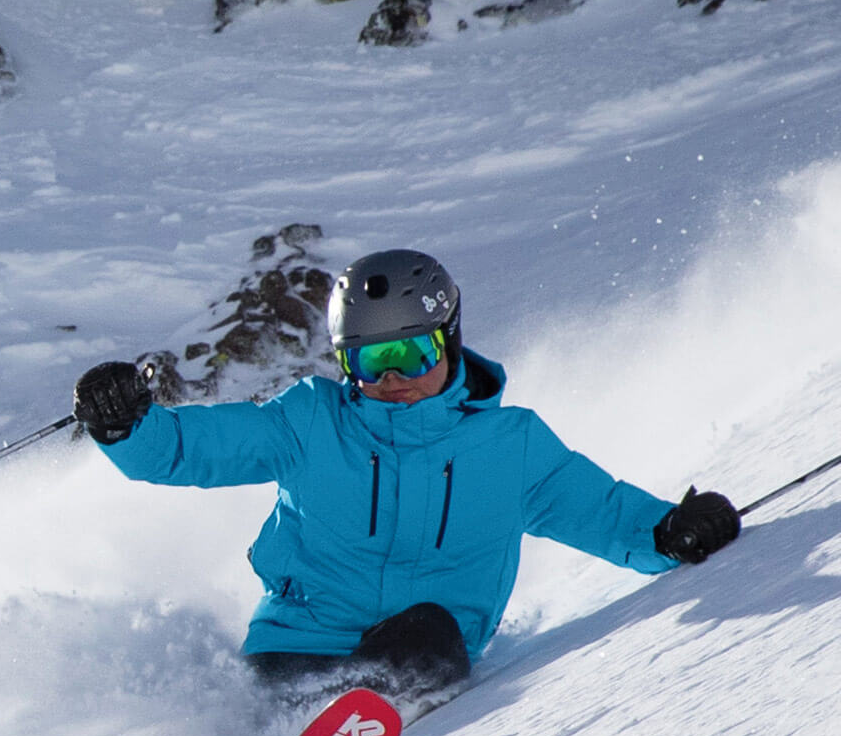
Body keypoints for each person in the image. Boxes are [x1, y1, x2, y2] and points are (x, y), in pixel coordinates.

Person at [73, 249, 739, 700]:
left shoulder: (512, 448)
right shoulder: (309, 421)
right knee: (237, 713)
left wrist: (675, 529)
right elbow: (187, 449)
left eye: (410, 354)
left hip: (420, 657)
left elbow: (608, 515)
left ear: (448, 340)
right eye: (368, 363)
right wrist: (127, 424)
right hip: (293, 651)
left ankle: (353, 728)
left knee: (429, 629)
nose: (391, 380)